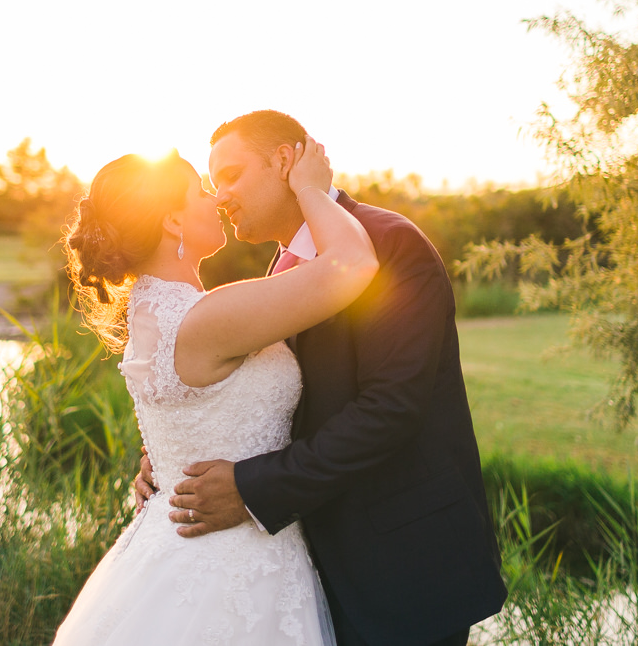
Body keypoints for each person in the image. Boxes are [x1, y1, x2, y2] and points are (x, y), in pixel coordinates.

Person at [157, 110, 508, 646]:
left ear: (284, 161)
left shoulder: (388, 244)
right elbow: (275, 400)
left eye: (231, 175)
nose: (220, 195)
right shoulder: (285, 264)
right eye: (211, 184)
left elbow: (390, 408)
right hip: (313, 563)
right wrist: (173, 457)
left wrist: (251, 489)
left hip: (400, 563)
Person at [51, 138, 378, 645]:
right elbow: (354, 264)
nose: (216, 199)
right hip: (234, 561)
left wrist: (158, 461)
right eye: (201, 191)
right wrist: (313, 190)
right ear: (173, 222)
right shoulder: (204, 318)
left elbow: (190, 415)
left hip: (181, 544)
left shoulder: (152, 312)